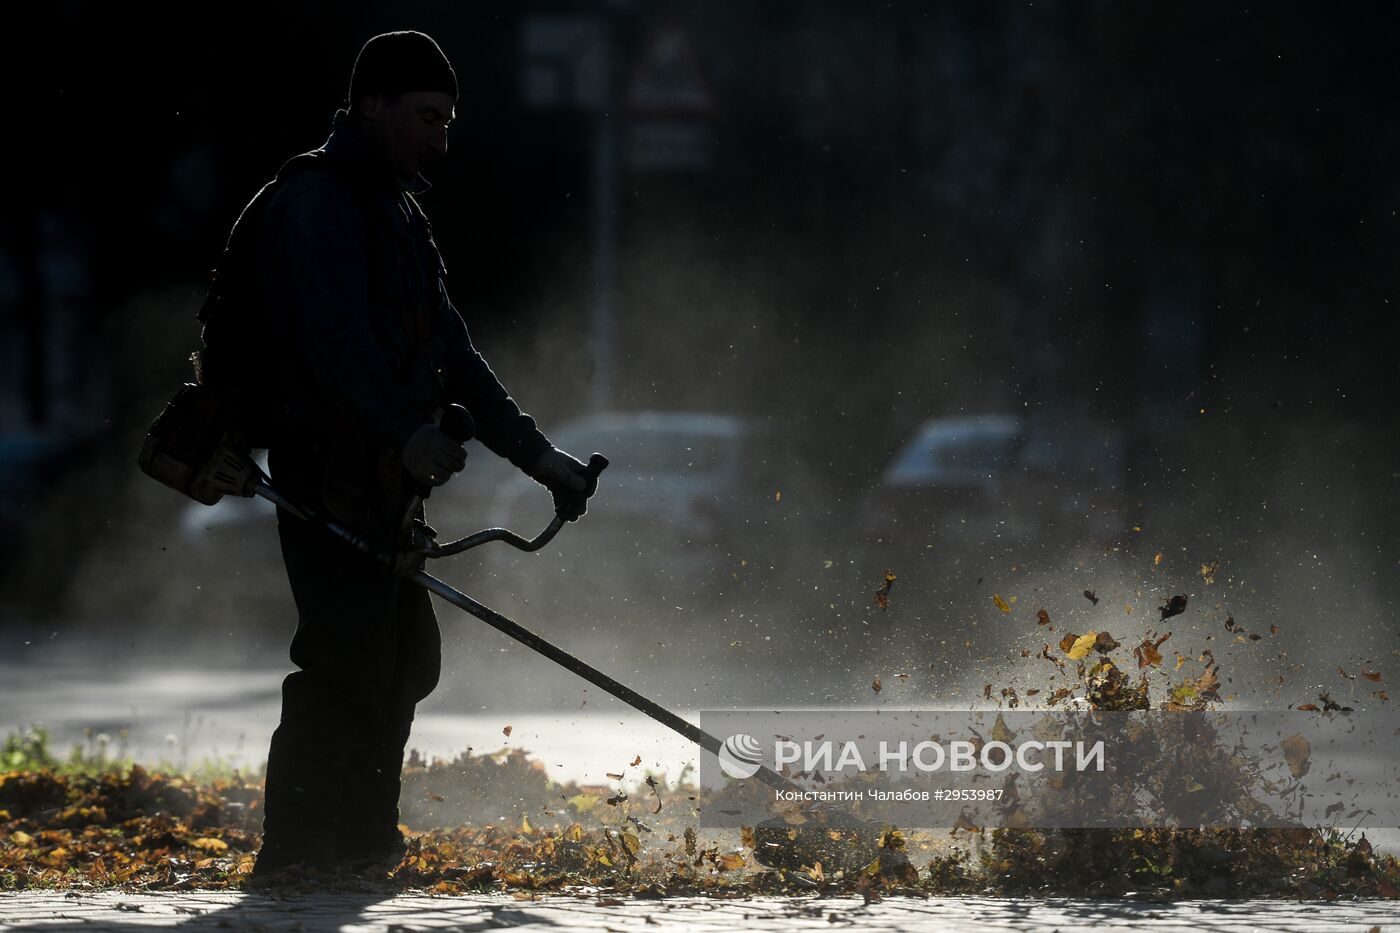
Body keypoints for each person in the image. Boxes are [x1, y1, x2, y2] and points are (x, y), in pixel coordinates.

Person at [234, 30, 597, 880]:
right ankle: (294, 856)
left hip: (383, 478)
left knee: (403, 657)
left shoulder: (398, 212)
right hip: (321, 471)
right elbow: (334, 345)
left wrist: (540, 457)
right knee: (343, 657)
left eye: (450, 120)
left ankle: (362, 845)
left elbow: (455, 353)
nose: (442, 135)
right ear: (371, 106)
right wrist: (406, 429)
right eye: (427, 116)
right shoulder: (317, 203)